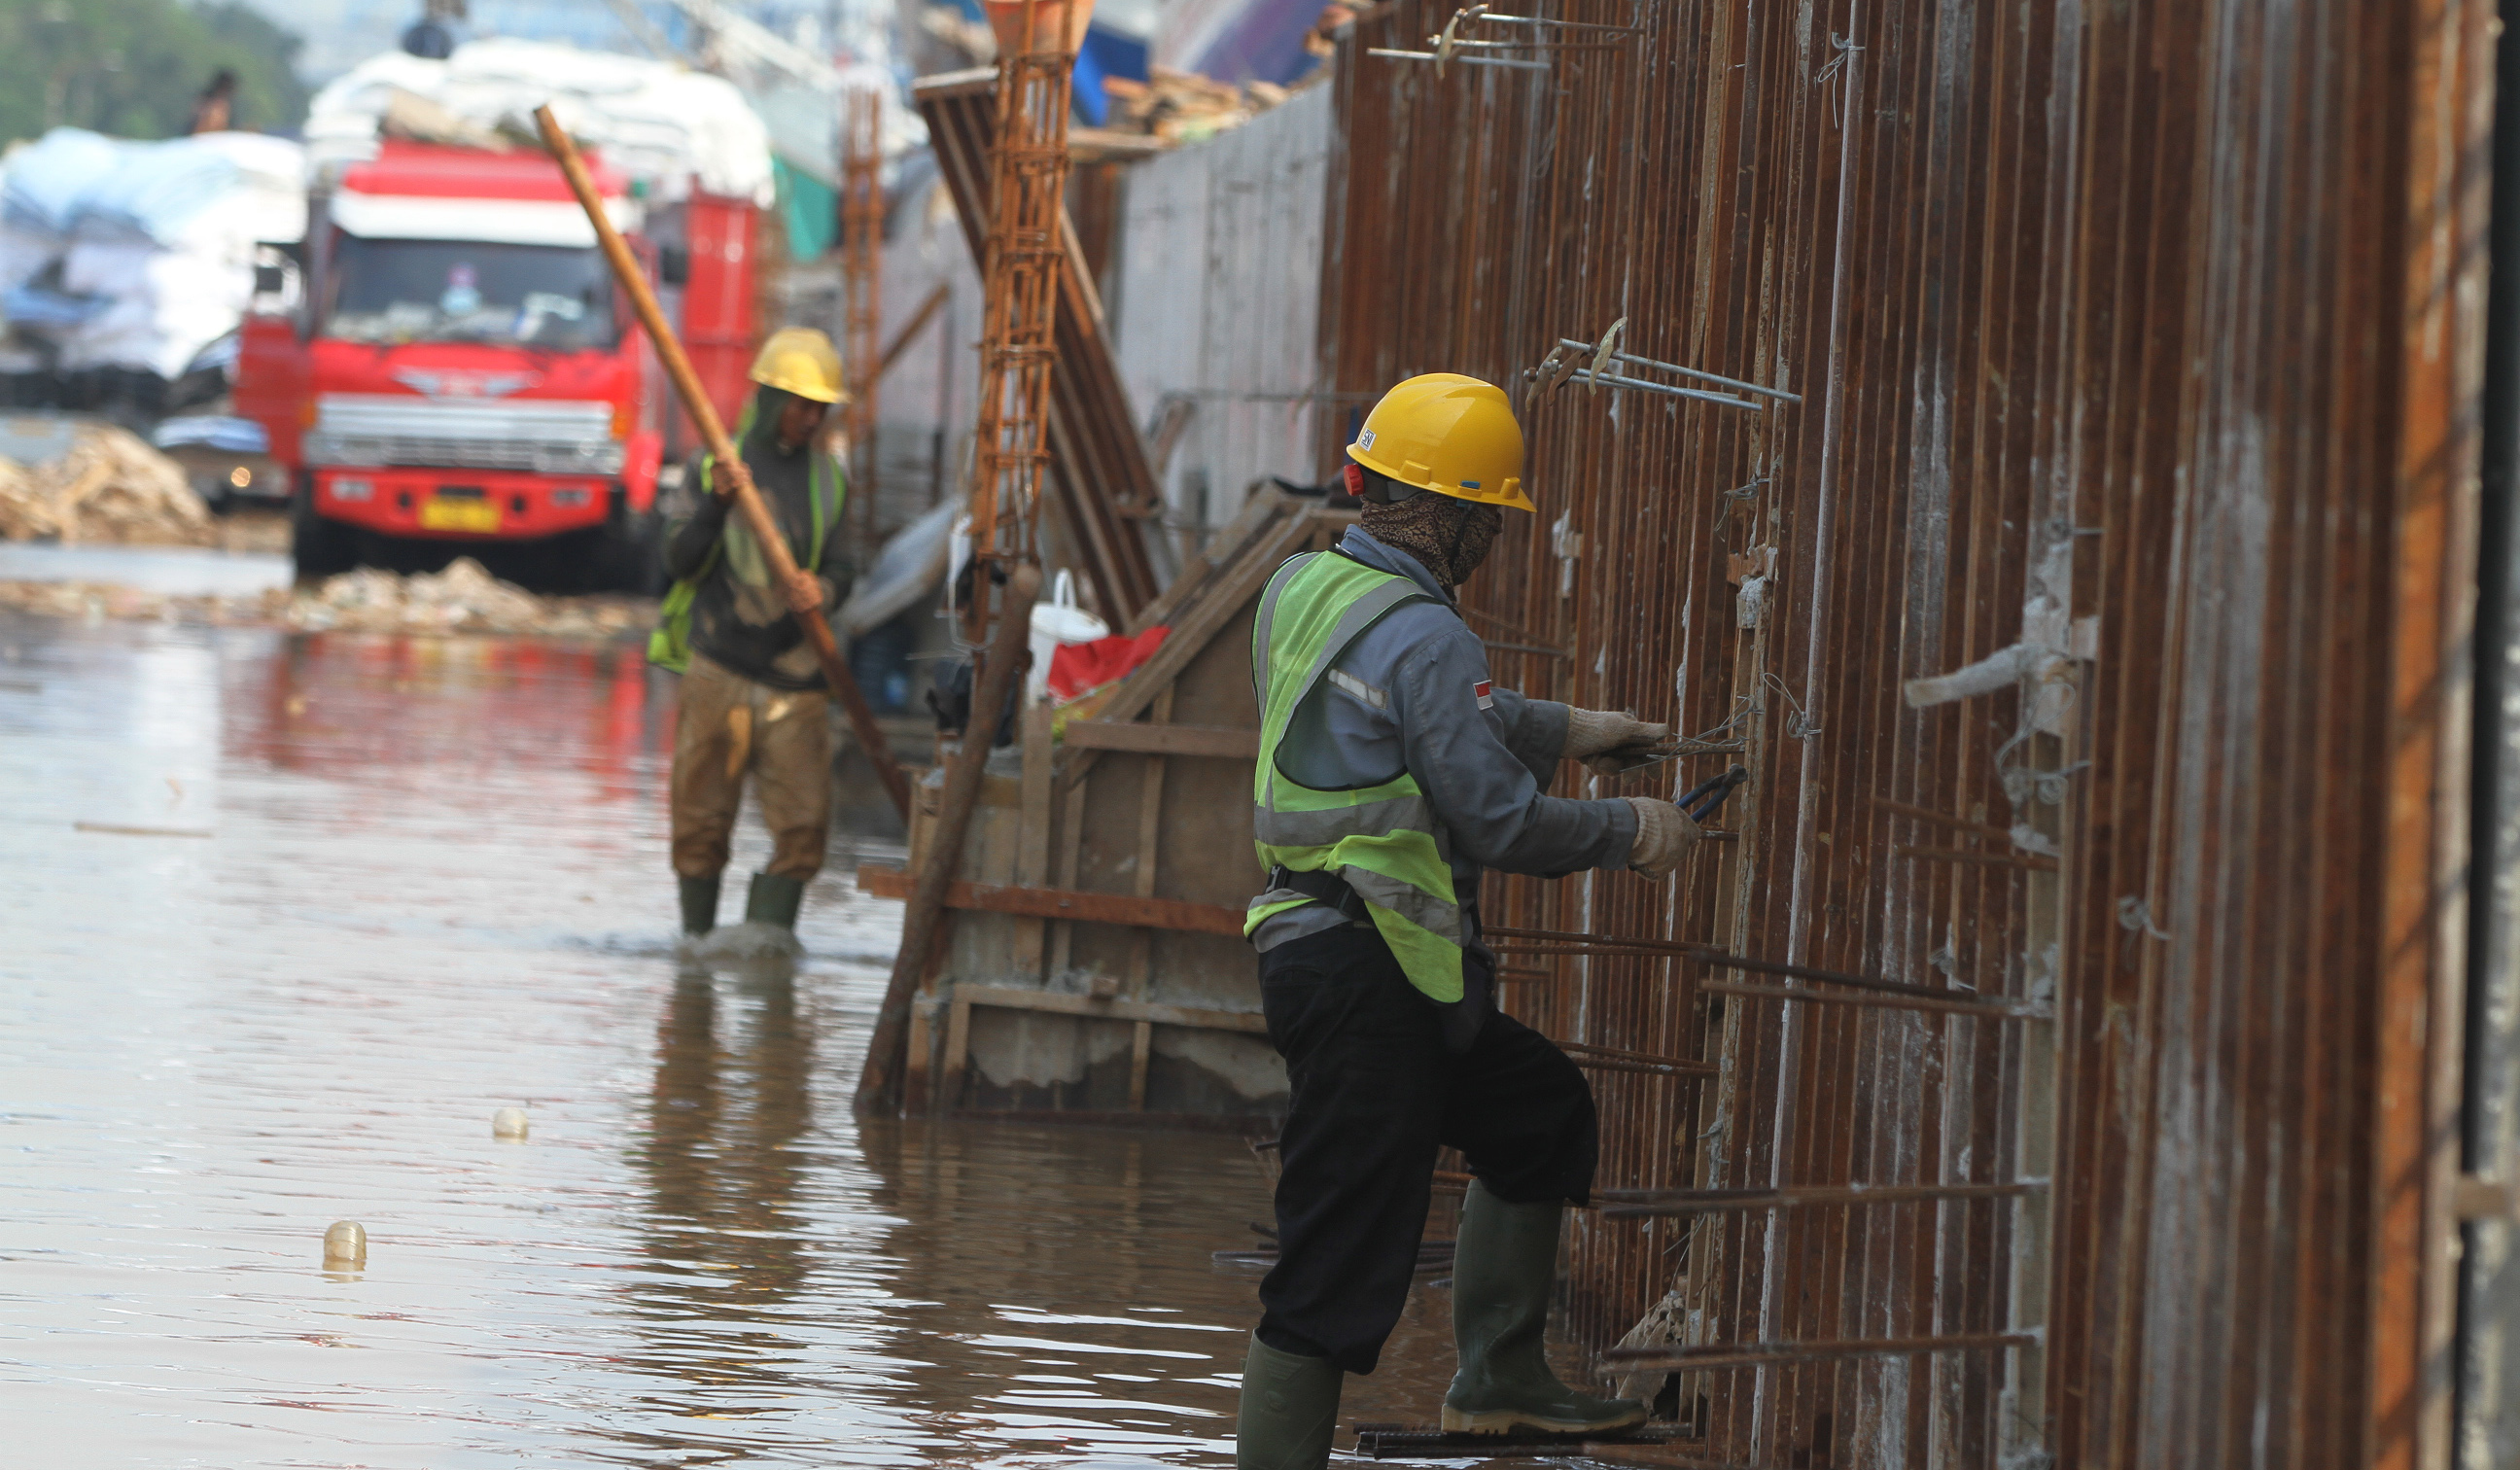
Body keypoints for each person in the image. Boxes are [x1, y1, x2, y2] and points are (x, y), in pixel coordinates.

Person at [1236, 373, 1699, 1467]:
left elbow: (1422, 710)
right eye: (1490, 516)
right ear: (1447, 515)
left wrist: (1568, 729)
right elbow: (1496, 822)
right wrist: (1629, 830)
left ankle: (1499, 1379)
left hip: (1343, 955)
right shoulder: (1433, 635)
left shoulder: (1304, 585)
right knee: (1338, 1257)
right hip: (1369, 973)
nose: (1493, 536)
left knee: (1537, 1117)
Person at [658, 327, 853, 940]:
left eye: (820, 408)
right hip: (720, 666)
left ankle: (767, 956)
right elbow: (678, 561)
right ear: (769, 399)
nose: (810, 418)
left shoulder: (831, 481)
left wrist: (824, 590)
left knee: (802, 828)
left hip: (796, 680)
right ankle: (696, 950)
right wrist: (715, 505)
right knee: (701, 821)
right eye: (799, 404)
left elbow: (847, 565)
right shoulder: (716, 466)